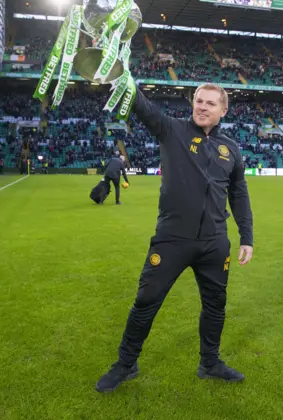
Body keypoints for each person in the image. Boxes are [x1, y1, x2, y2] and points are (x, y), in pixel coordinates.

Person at [95, 83, 254, 393]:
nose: (202, 107)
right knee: (146, 302)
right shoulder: (172, 130)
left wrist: (246, 236)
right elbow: (144, 107)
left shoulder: (231, 148)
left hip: (214, 242)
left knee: (215, 306)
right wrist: (125, 80)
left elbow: (238, 192)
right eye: (198, 101)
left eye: (210, 103)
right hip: (172, 240)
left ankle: (210, 363)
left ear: (223, 110)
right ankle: (126, 364)